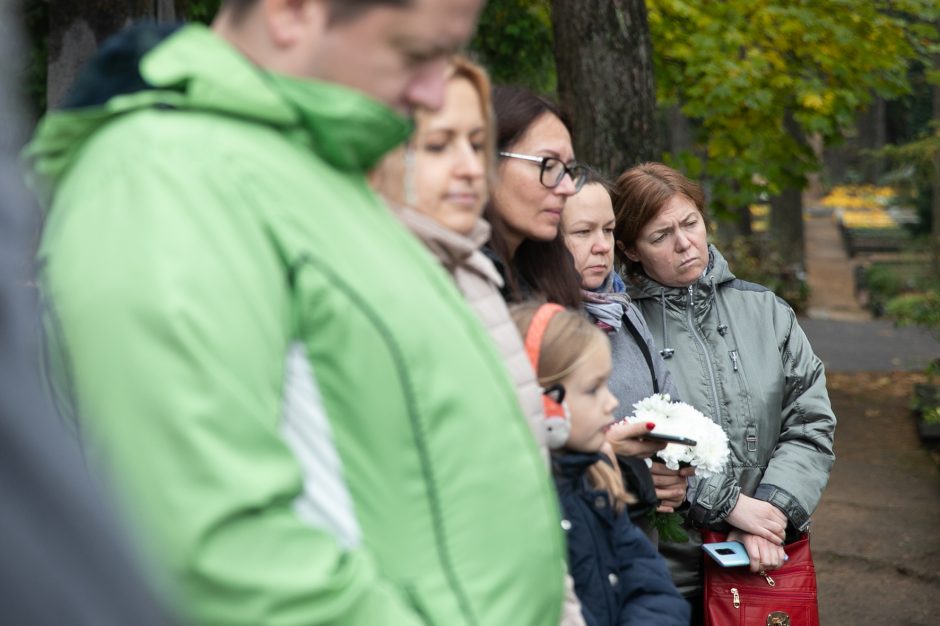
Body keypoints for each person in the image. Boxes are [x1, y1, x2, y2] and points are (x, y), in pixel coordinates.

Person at [26, 2, 567, 625]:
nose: (431, 90)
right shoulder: (167, 178)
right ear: (289, 14)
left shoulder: (313, 176)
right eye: (417, 54)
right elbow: (211, 547)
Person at [612, 162, 837, 620]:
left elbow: (810, 423)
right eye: (660, 236)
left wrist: (769, 516)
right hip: (664, 575)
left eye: (690, 223)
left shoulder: (766, 312)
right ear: (630, 249)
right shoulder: (619, 330)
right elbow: (630, 444)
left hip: (760, 563)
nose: (684, 243)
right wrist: (732, 506)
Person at [511, 302, 690, 626]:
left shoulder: (594, 483)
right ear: (543, 402)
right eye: (593, 389)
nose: (610, 403)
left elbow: (653, 587)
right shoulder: (515, 508)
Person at [561, 175, 694, 540]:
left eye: (608, 230)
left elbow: (671, 406)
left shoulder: (623, 311)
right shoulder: (537, 323)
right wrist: (622, 465)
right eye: (583, 232)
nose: (602, 246)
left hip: (637, 538)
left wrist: (673, 477)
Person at [484, 85, 585, 309]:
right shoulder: (451, 277)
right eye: (548, 165)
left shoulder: (556, 271)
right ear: (489, 160)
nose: (568, 188)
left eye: (569, 170)